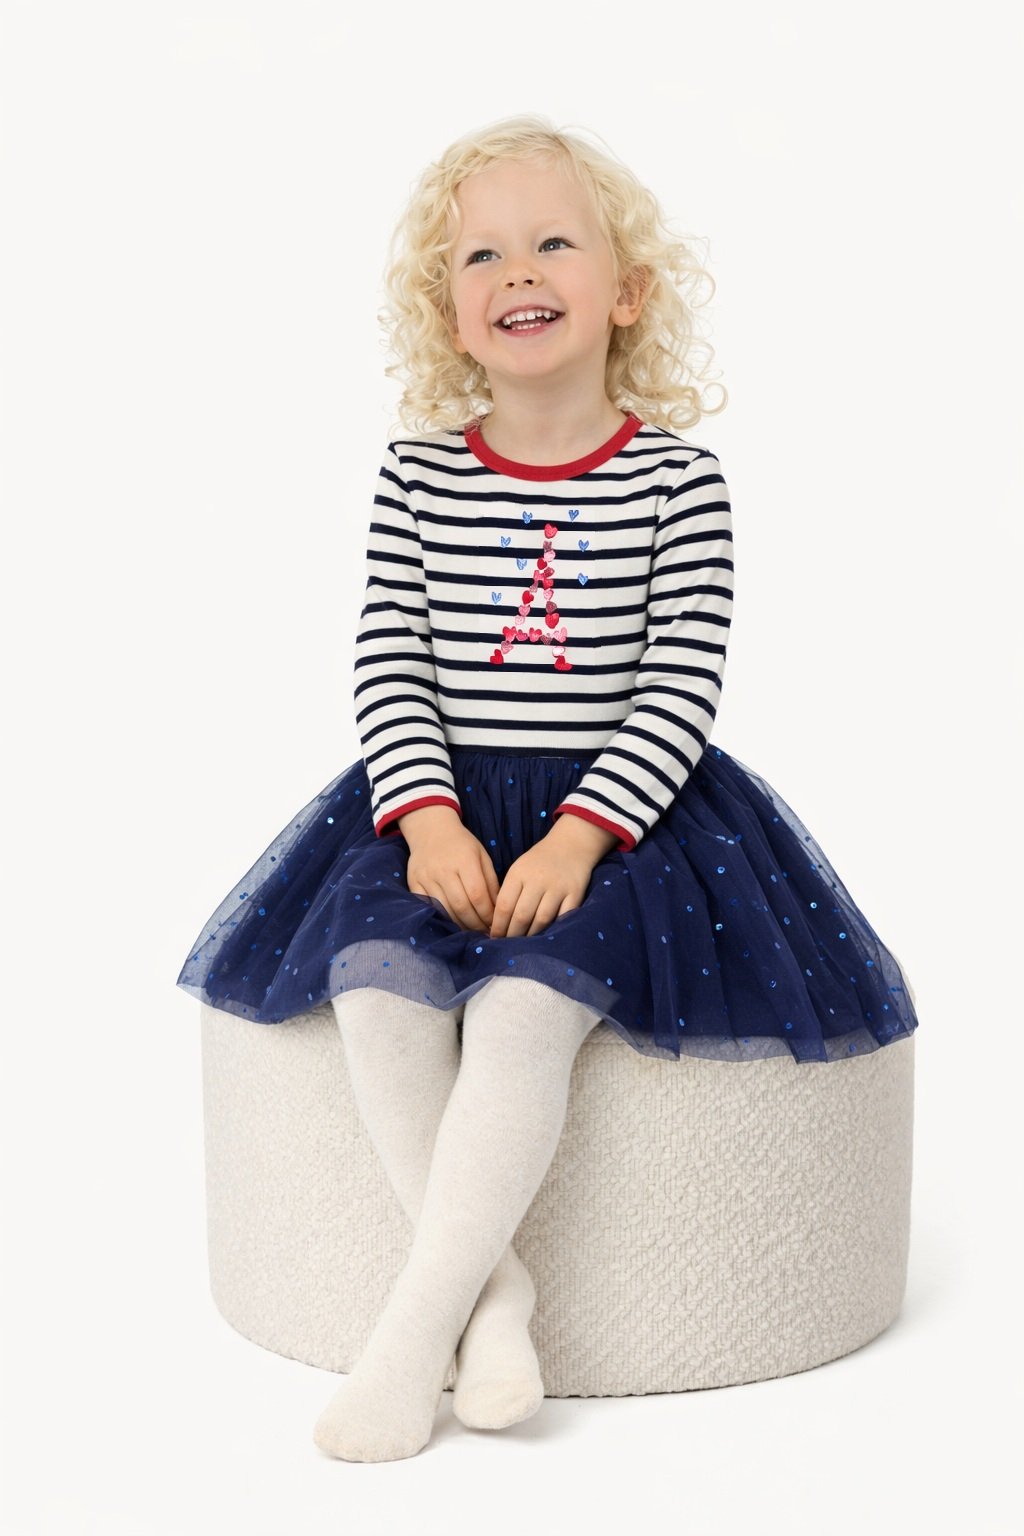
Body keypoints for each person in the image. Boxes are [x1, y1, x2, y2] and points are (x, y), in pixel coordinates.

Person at [175, 113, 919, 1462]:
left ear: (628, 292)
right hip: (441, 808)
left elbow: (680, 685)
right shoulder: (416, 475)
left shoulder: (678, 482)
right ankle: (494, 1296)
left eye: (555, 243)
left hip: (628, 824)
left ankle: (410, 1339)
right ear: (448, 313)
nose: (519, 269)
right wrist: (427, 816)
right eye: (483, 255)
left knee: (524, 1009)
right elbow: (389, 658)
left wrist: (581, 837)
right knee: (378, 989)